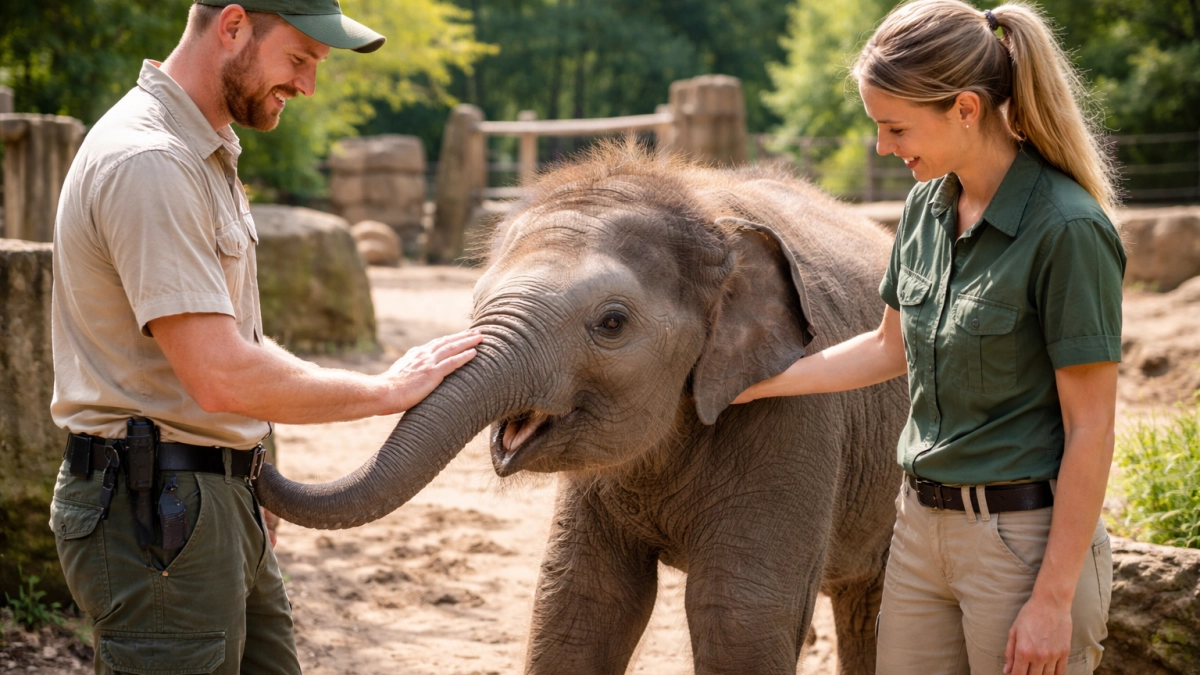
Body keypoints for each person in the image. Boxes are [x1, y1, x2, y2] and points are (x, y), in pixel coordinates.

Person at [48, 2, 482, 673]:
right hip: (156, 513)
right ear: (233, 26)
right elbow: (218, 373)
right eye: (299, 59)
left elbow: (234, 343)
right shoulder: (152, 161)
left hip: (206, 496)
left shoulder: (203, 151)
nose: (308, 85)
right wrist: (383, 391)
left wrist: (248, 470)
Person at [735, 1, 1122, 673]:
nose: (882, 146)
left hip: (1021, 541)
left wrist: (1053, 599)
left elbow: (1092, 427)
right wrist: (760, 381)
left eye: (895, 127)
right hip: (916, 531)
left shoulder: (1067, 229)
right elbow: (889, 347)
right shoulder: (926, 208)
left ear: (965, 109)